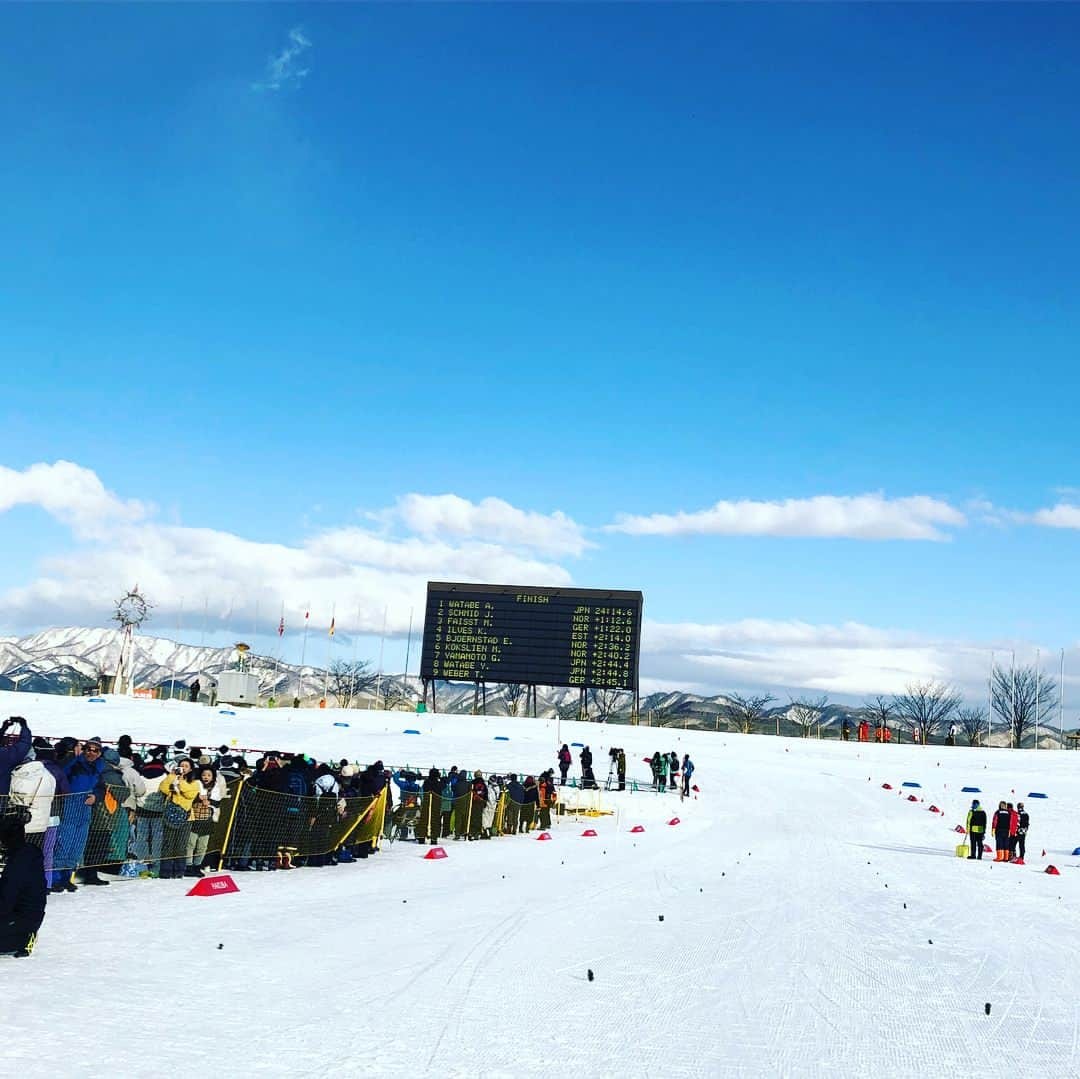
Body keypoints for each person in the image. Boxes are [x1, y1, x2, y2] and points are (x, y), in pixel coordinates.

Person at [54, 737, 107, 890]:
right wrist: (73, 756)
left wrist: (96, 797)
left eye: (95, 750)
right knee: (64, 842)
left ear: (99, 753)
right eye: (88, 749)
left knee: (77, 845)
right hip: (69, 806)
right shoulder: (75, 763)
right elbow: (61, 773)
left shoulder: (98, 768)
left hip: (85, 809)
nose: (91, 752)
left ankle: (67, 877)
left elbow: (101, 788)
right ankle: (56, 878)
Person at [0, 808, 46, 957]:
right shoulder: (29, 853)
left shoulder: (17, 865)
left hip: (20, 919)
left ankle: (24, 940)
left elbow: (6, 900)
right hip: (32, 916)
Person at [159, 759, 199, 879]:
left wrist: (180, 781)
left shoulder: (195, 783)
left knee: (181, 846)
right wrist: (172, 776)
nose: (183, 768)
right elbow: (163, 788)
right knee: (167, 844)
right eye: (181, 766)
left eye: (186, 766)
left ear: (191, 769)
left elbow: (189, 794)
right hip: (170, 815)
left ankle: (179, 870)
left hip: (186, 818)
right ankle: (165, 870)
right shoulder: (172, 777)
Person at [418, 767, 443, 846]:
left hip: (426, 802)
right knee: (435, 820)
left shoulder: (426, 782)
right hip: (436, 803)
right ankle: (433, 838)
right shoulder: (438, 783)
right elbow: (443, 787)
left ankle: (421, 837)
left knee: (424, 819)